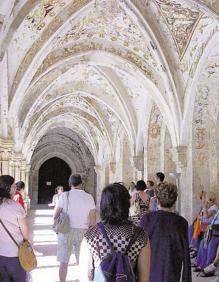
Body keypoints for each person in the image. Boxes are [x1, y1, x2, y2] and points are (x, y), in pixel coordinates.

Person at [80, 183, 150, 282]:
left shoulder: (91, 235)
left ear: (103, 205)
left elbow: (85, 276)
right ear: (127, 204)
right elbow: (144, 278)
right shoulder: (140, 235)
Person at [140, 182, 191, 282]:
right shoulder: (181, 223)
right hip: (172, 272)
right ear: (175, 201)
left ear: (157, 200)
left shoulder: (147, 219)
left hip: (150, 271)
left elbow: (138, 249)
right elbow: (186, 255)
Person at [54, 174, 96, 282]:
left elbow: (55, 215)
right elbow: (93, 221)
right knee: (83, 262)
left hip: (65, 231)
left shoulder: (64, 196)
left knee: (63, 262)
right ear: (82, 183)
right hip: (83, 232)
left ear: (70, 184)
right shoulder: (89, 197)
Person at [0, 175, 29, 282]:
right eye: (13, 186)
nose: (15, 188)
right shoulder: (15, 206)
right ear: (7, 188)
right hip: (14, 254)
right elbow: (25, 233)